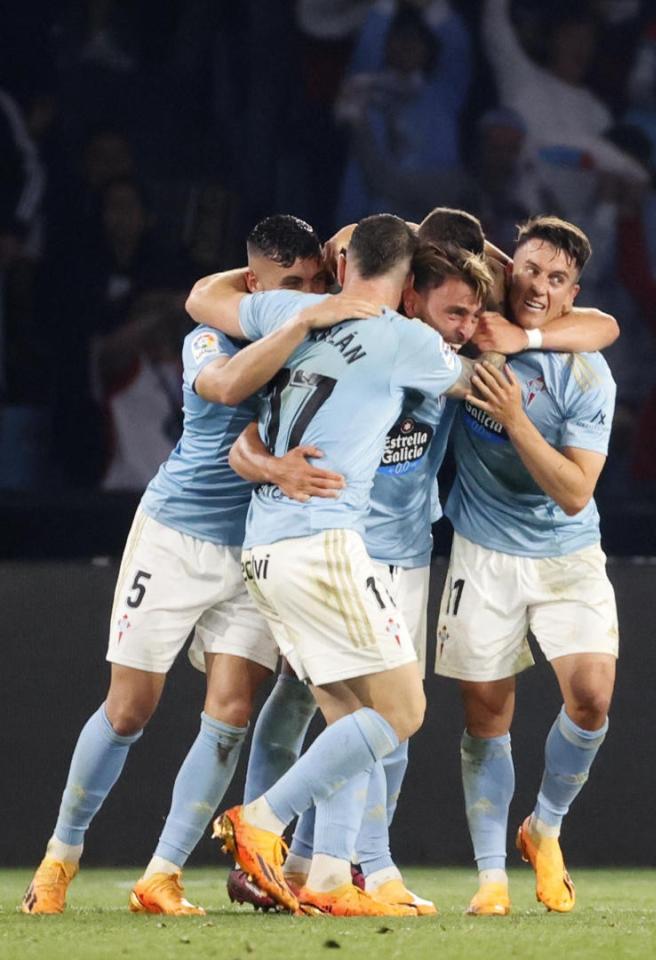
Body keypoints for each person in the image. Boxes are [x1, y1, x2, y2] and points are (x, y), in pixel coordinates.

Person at [19, 215, 345, 915]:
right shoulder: (214, 334)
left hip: (256, 543)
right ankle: (59, 858)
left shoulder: (323, 343)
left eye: (314, 285)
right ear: (254, 285)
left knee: (228, 713)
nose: (304, 298)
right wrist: (293, 320)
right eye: (289, 286)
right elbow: (224, 390)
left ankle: (162, 875)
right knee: (131, 707)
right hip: (175, 534)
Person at [194, 214, 482, 917]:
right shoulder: (406, 339)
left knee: (345, 714)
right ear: (411, 282)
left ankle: (326, 879)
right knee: (403, 708)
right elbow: (473, 376)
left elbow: (204, 297)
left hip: (265, 545)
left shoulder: (292, 307)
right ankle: (261, 817)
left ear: (343, 260)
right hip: (324, 544)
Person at [434, 216, 620, 917]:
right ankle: (489, 877)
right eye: (532, 269)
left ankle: (544, 826)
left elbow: (575, 493)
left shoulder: (585, 374)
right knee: (486, 713)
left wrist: (515, 418)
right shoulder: (471, 326)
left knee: (592, 698)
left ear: (572, 295)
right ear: (510, 266)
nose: (540, 286)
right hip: (481, 547)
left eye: (557, 278)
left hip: (565, 553)